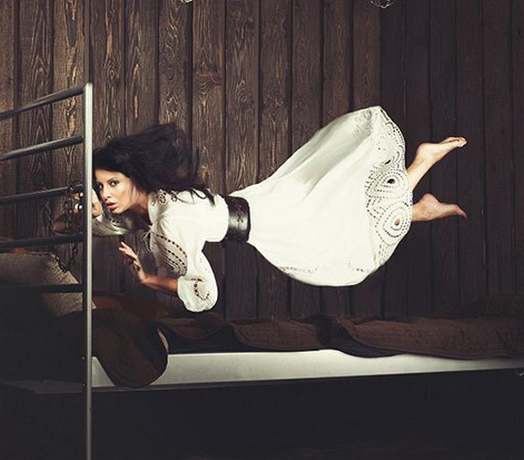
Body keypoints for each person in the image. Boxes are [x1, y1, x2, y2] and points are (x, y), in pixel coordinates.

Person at [91, 106, 466, 312]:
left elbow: (205, 294)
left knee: (344, 244)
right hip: (257, 203)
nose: (106, 195)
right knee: (343, 217)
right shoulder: (157, 200)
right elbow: (115, 222)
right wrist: (89, 212)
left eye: (113, 184)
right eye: (100, 187)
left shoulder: (168, 224)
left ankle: (421, 164)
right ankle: (417, 210)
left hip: (270, 223)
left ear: (134, 178)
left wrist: (147, 280)